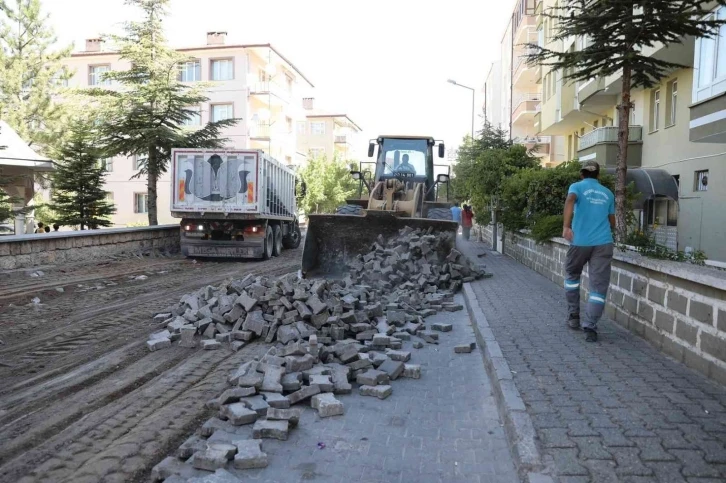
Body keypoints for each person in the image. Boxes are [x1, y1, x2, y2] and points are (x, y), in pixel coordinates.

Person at [562, 160, 615, 343]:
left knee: (571, 277)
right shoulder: (608, 193)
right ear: (598, 175)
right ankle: (590, 327)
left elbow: (570, 200)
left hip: (580, 242)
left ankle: (573, 317)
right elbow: (612, 221)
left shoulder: (576, 187)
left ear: (582, 173)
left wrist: (566, 226)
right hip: (603, 243)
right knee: (598, 288)